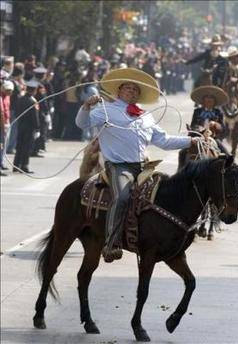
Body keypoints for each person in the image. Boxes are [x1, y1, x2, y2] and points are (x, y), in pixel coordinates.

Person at [76, 68, 200, 262]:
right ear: (119, 90)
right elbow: (82, 124)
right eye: (127, 88)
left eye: (135, 90)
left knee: (165, 194)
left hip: (144, 167)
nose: (131, 91)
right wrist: (85, 107)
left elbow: (164, 141)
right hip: (119, 166)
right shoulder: (105, 110)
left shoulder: (145, 116)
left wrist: (190, 141)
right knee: (123, 196)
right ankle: (111, 243)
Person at [189, 85, 229, 153]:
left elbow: (224, 130)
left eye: (211, 98)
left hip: (213, 138)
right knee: (183, 152)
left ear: (214, 101)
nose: (209, 100)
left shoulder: (219, 112)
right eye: (207, 97)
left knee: (227, 154)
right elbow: (193, 125)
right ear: (203, 100)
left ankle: (232, 163)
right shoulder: (197, 111)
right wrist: (198, 128)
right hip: (198, 137)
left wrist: (216, 125)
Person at [13, 80, 40, 174]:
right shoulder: (33, 101)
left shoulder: (20, 99)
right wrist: (37, 128)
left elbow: (16, 112)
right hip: (30, 127)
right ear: (34, 90)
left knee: (19, 146)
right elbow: (34, 116)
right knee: (27, 147)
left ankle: (16, 165)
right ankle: (24, 166)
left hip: (20, 125)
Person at [0, 80, 14, 175]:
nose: (9, 92)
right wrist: (3, 127)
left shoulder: (8, 97)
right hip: (2, 124)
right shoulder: (0, 97)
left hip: (7, 122)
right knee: (1, 145)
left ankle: (2, 162)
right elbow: (1, 113)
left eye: (10, 90)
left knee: (4, 145)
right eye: (7, 90)